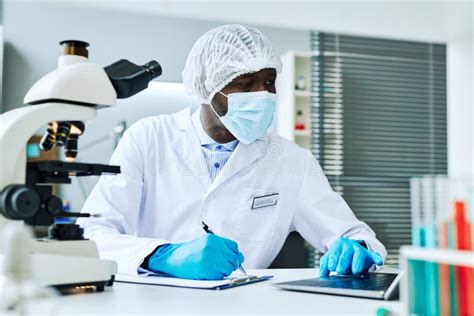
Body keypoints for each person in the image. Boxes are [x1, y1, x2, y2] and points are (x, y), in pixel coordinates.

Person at [78, 24, 386, 280]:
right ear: (207, 88)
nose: (262, 95)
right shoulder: (148, 138)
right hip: (149, 299)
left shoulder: (292, 161)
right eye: (245, 84)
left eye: (269, 82)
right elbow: (91, 233)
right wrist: (162, 255)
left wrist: (355, 247)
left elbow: (353, 234)